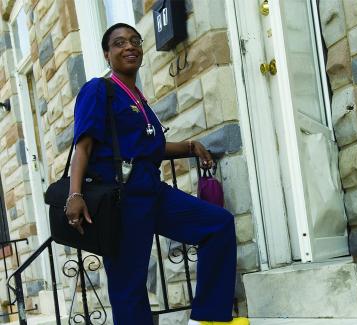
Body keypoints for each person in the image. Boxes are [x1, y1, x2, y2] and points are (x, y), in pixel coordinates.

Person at [65, 23, 248, 325]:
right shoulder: (99, 89)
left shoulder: (138, 99)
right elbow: (82, 148)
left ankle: (207, 319)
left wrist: (190, 146)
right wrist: (75, 194)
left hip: (151, 189)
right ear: (107, 55)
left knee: (217, 225)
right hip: (120, 196)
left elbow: (149, 148)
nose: (129, 47)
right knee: (130, 283)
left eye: (135, 41)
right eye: (119, 43)